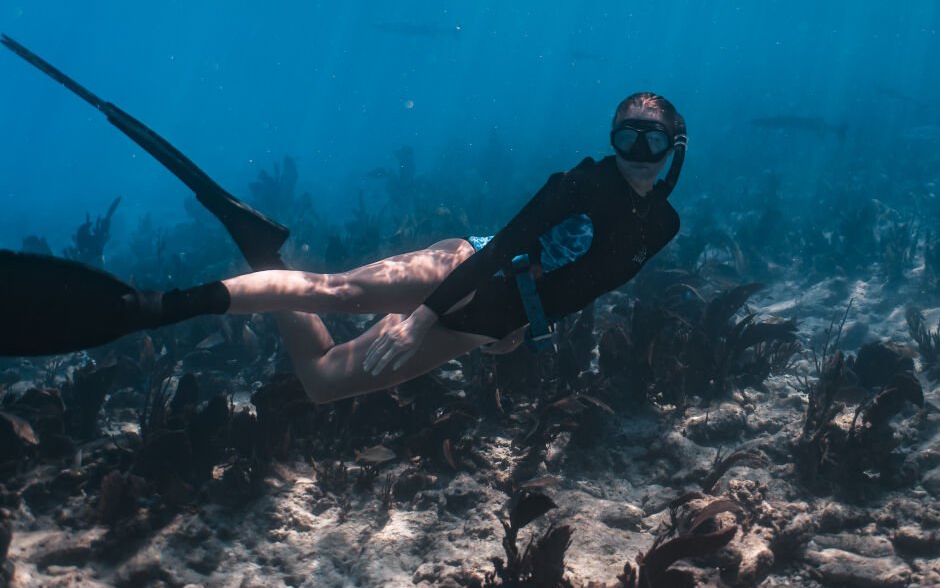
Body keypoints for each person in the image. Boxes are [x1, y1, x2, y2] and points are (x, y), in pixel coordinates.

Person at [0, 40, 686, 405]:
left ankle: (259, 247)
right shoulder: (583, 182)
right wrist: (427, 317)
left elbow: (587, 282)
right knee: (331, 319)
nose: (638, 156)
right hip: (469, 281)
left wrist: (521, 330)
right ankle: (156, 307)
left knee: (324, 362)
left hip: (490, 310)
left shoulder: (662, 226)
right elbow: (508, 242)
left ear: (673, 151)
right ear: (611, 139)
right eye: (627, 138)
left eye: (652, 143)